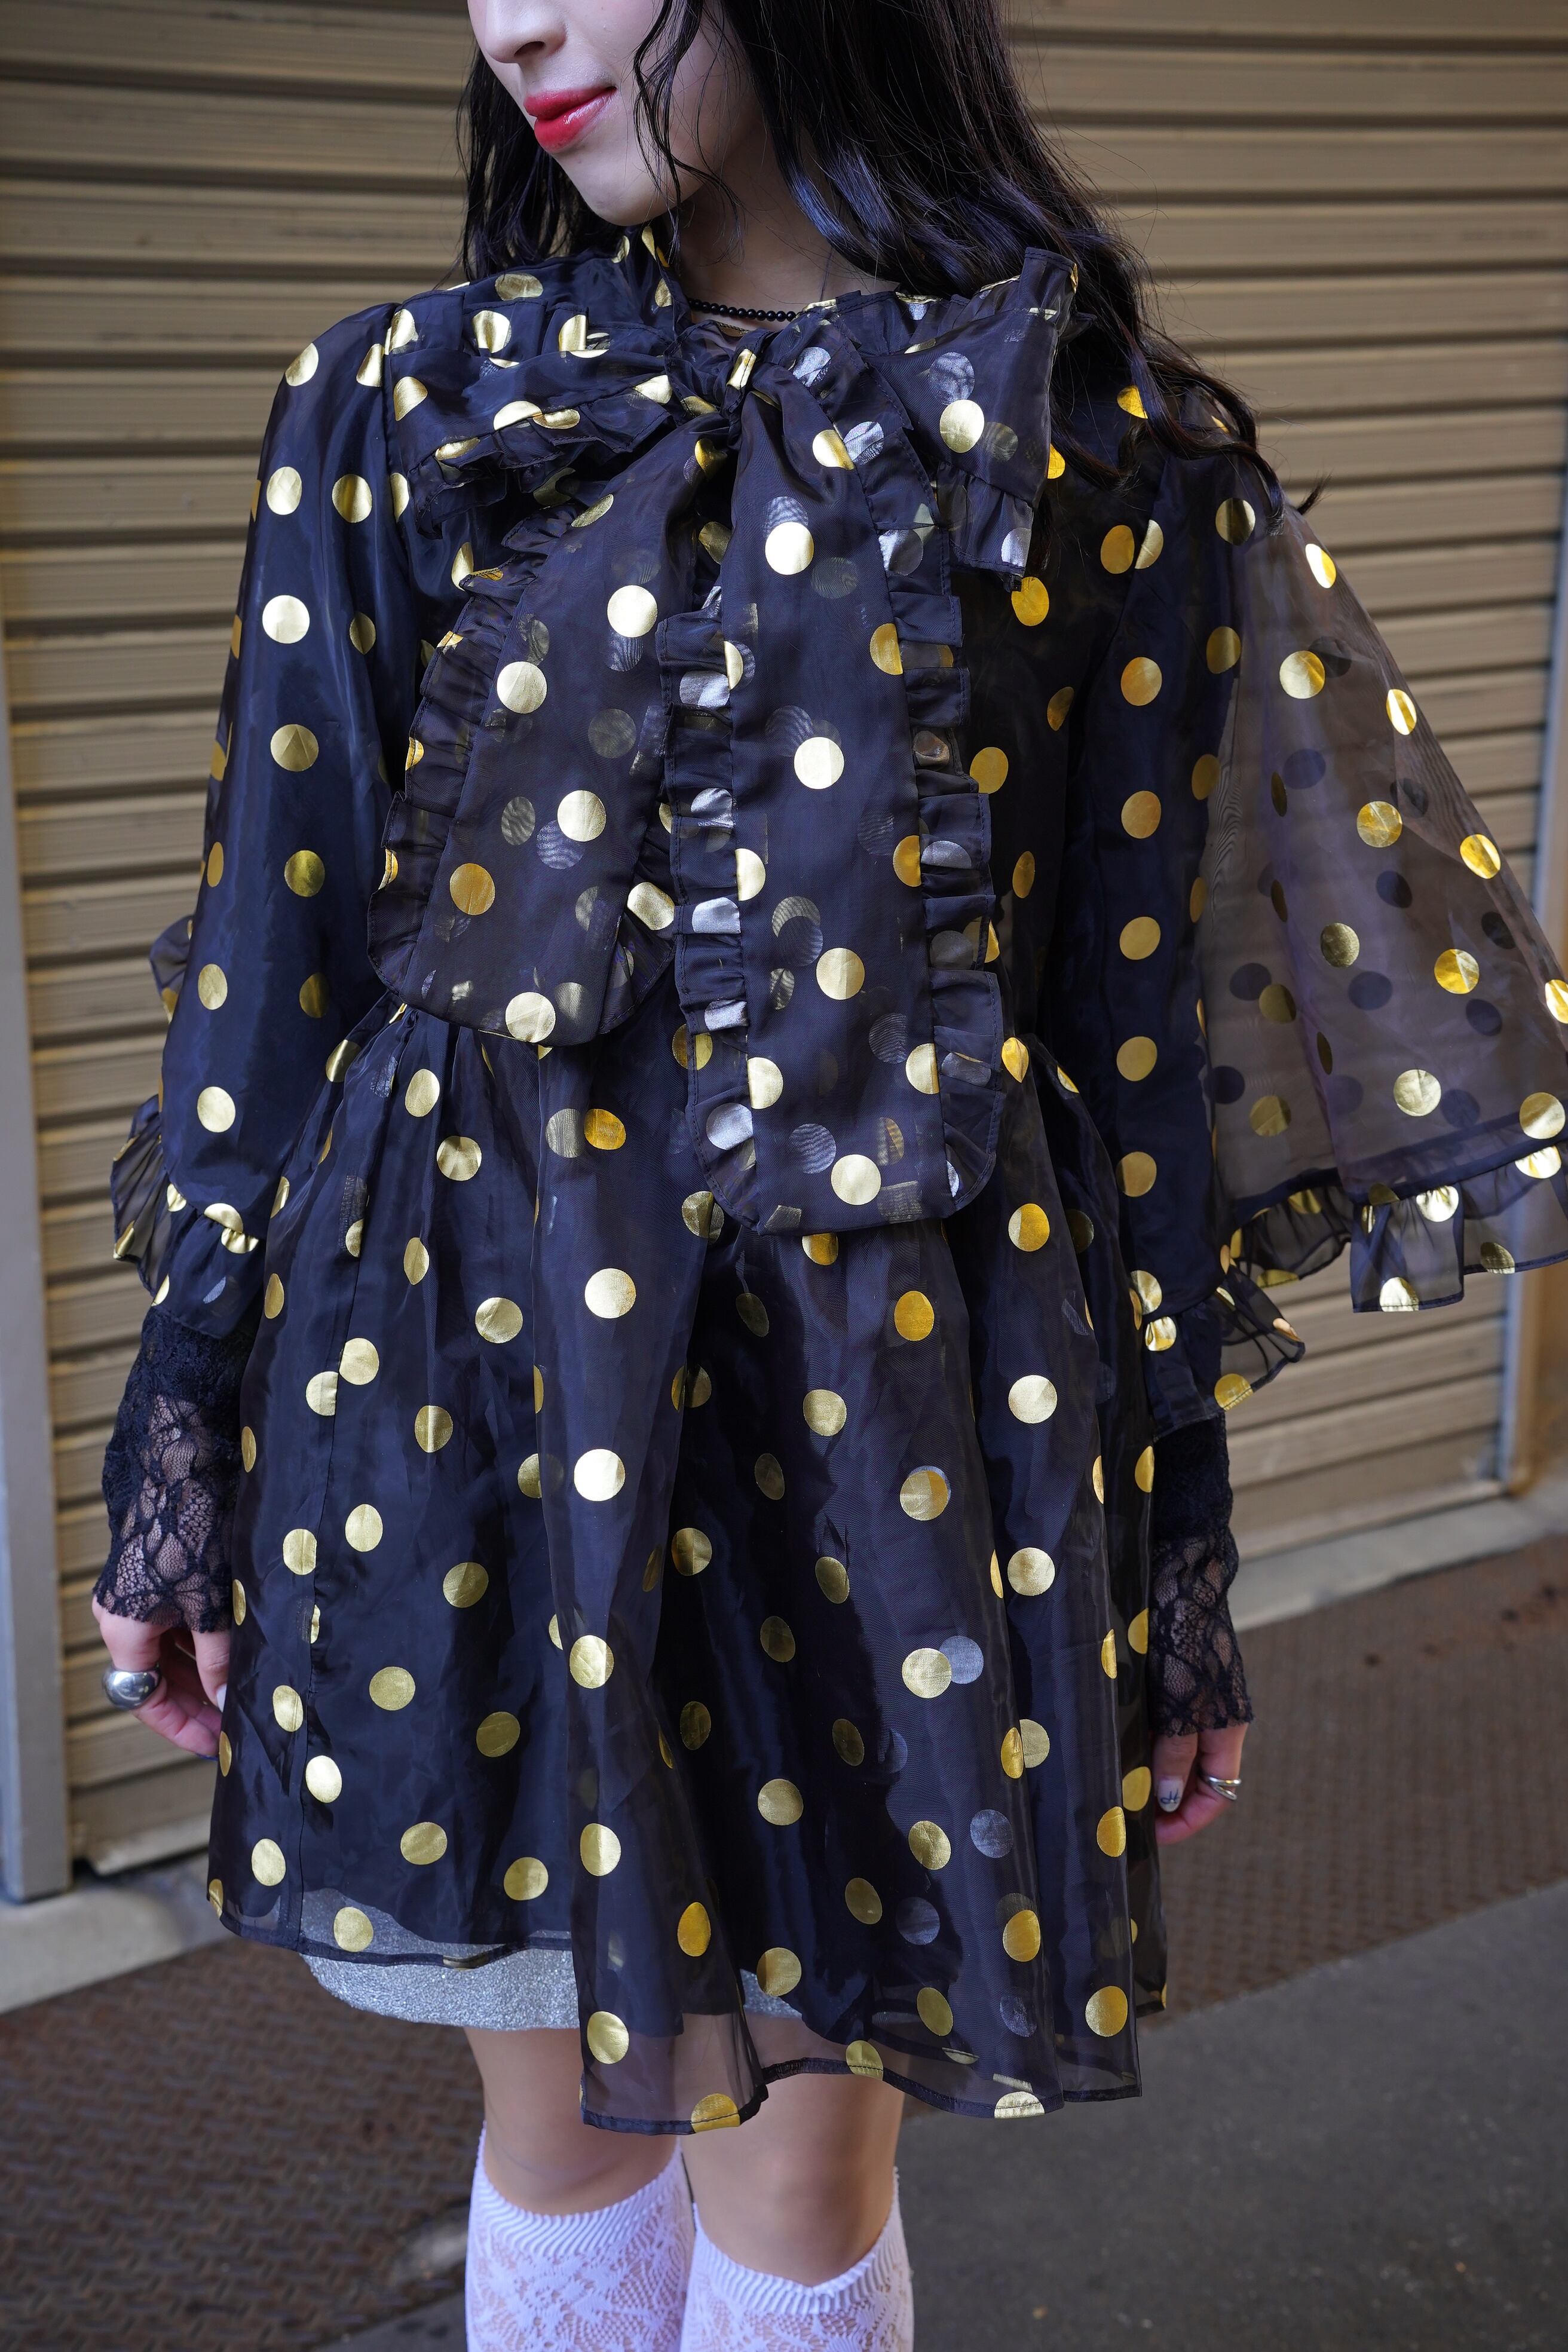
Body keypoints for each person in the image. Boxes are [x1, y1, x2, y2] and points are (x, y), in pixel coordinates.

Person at [91, 2, 1568, 2345]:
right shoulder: (407, 403)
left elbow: (1135, 1048)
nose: (515, 19)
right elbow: (280, 957)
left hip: (890, 1410)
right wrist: (182, 1414)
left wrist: (1171, 1533)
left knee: (801, 2166)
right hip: (463, 1383)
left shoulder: (1079, 441)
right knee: (558, 2131)